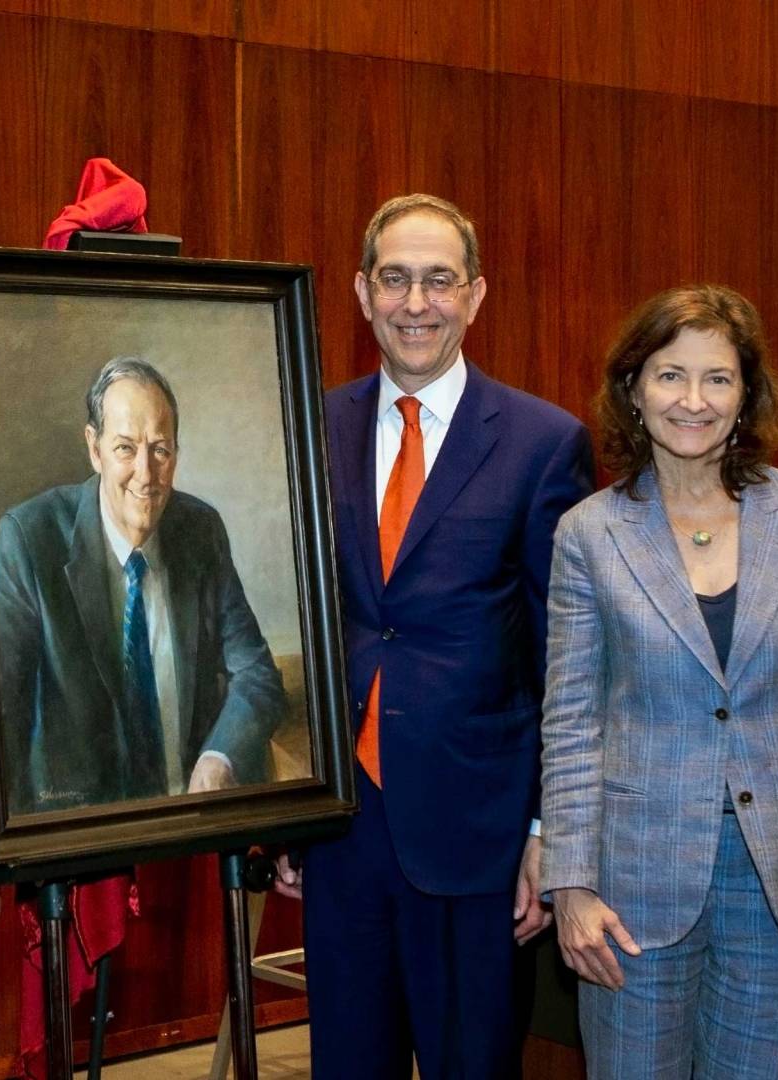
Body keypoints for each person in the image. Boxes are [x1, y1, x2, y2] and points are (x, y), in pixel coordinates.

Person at [276, 193, 594, 1078]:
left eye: (440, 282)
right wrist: (286, 815)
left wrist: (546, 830)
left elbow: (562, 663)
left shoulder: (543, 443)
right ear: (361, 292)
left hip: (479, 831)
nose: (417, 303)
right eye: (396, 279)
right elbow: (298, 617)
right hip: (345, 827)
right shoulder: (309, 421)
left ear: (477, 295)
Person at [540, 284, 778, 1078]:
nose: (692, 400)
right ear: (633, 389)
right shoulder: (589, 534)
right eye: (669, 375)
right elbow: (572, 722)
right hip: (633, 882)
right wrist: (572, 884)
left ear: (747, 394)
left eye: (717, 379)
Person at [0, 356, 287, 814]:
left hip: (184, 825)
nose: (146, 475)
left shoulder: (200, 531)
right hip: (77, 842)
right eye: (126, 448)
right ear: (94, 449)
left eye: (160, 450)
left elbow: (258, 676)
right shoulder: (31, 540)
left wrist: (218, 756)